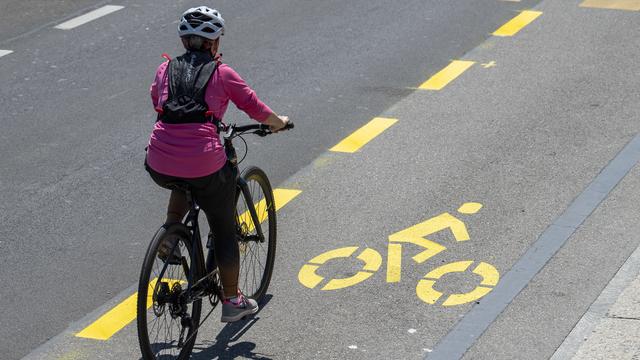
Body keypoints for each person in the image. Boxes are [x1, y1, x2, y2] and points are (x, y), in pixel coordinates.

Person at [144, 6, 288, 322]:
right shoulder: (222, 73)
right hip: (203, 159)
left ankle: (171, 234)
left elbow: (158, 100)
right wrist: (278, 122)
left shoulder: (164, 69)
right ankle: (232, 300)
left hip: (158, 158)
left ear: (184, 41)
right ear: (214, 43)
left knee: (182, 178)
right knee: (223, 226)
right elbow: (254, 106)